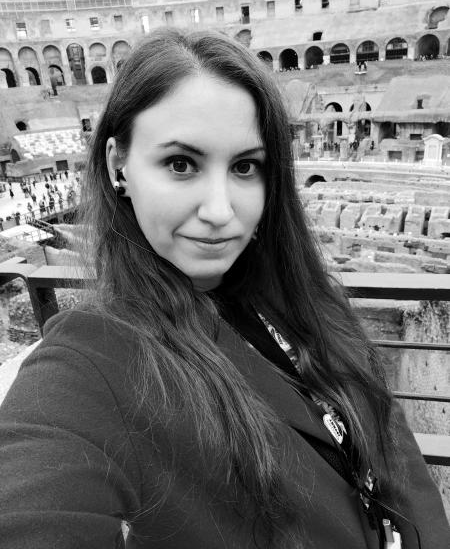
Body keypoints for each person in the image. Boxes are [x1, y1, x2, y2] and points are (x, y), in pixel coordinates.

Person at [0, 29, 448, 549]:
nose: (219, 211)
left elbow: (392, 443)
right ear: (118, 165)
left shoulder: (303, 294)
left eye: (244, 167)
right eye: (181, 164)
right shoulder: (93, 361)